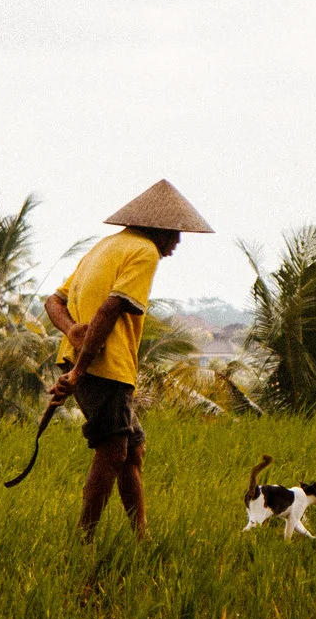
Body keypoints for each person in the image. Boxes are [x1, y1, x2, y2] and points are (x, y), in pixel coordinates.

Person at [43, 179, 213, 537]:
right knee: (112, 453)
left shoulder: (105, 246)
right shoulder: (144, 252)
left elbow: (53, 302)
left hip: (90, 364)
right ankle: (84, 539)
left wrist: (71, 331)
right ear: (159, 229)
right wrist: (79, 370)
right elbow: (111, 308)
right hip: (104, 367)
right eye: (175, 234)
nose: (177, 243)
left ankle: (141, 537)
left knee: (133, 451)